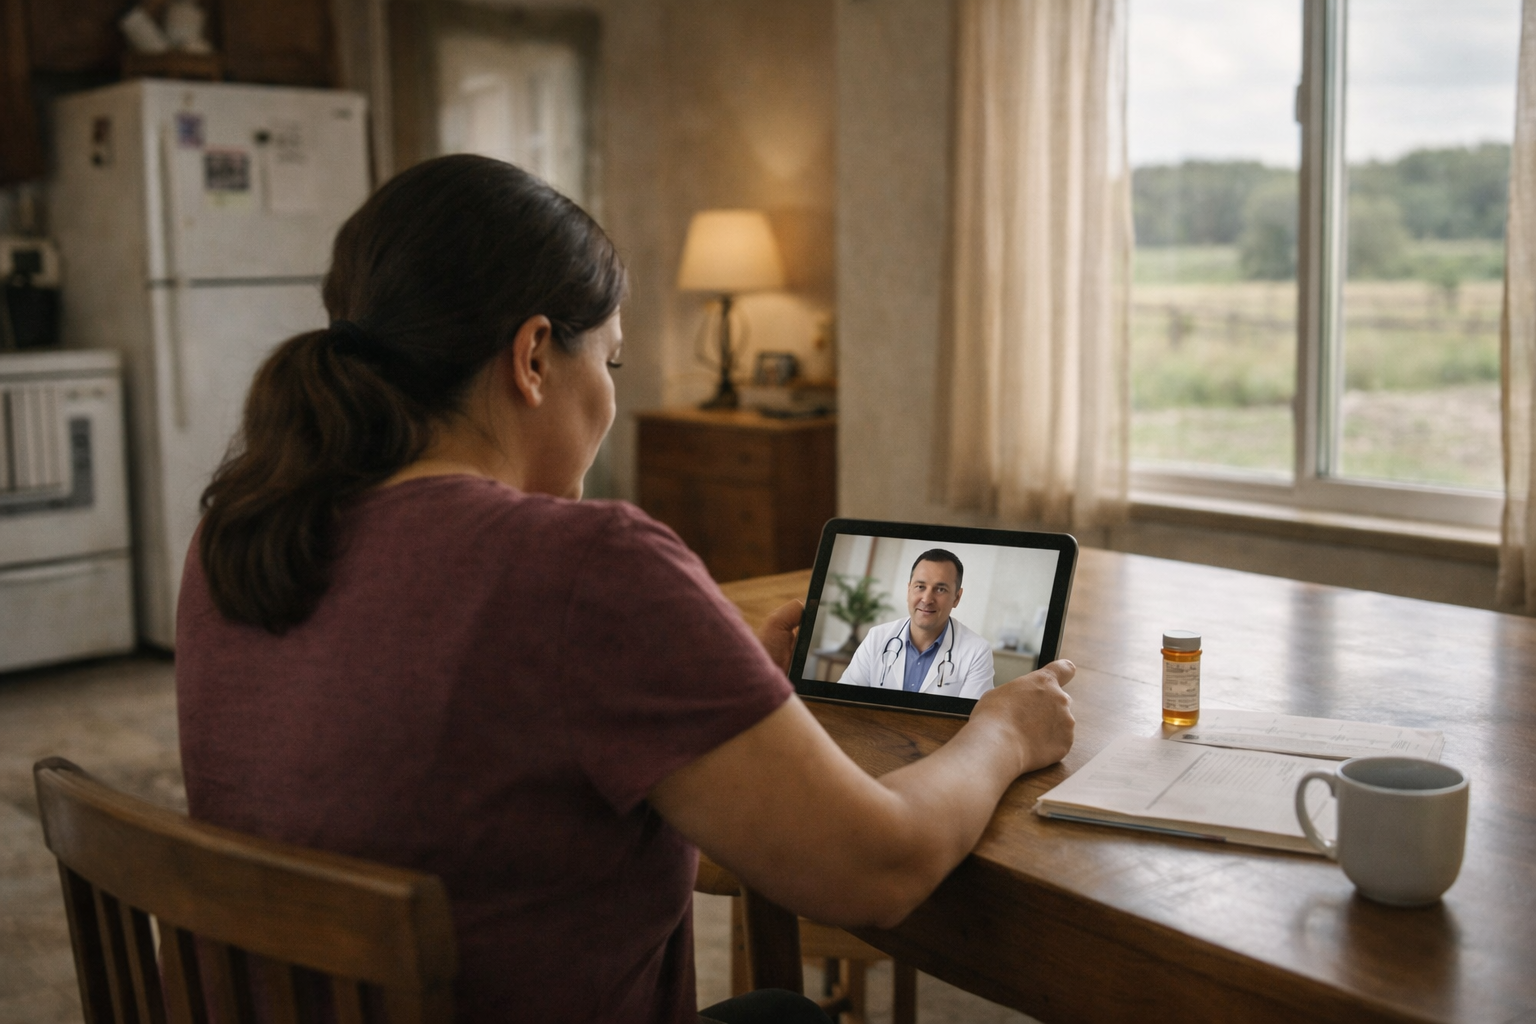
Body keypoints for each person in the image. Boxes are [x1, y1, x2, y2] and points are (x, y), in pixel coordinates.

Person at [176, 154, 1076, 1024]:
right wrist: (1002, 730)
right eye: (608, 362)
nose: (609, 395)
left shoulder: (239, 535)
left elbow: (472, 805)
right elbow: (873, 873)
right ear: (532, 357)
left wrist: (696, 707)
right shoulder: (583, 564)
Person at [839, 550, 996, 699]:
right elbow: (844, 699)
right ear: (909, 590)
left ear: (956, 598)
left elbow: (973, 720)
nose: (927, 599)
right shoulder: (877, 637)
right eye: (920, 587)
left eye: (940, 589)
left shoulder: (977, 651)